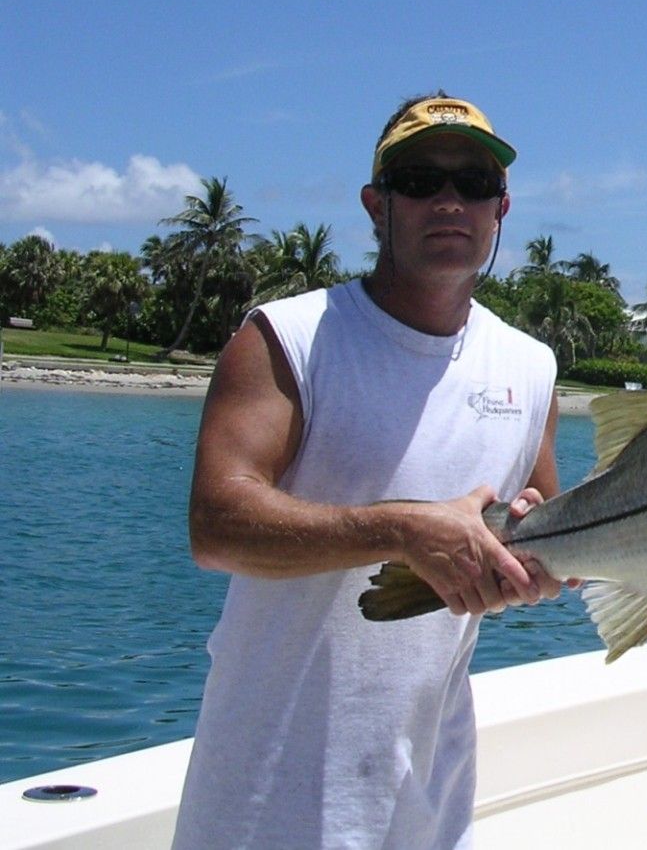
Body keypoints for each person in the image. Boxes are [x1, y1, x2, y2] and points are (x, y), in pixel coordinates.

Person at [172, 93, 565, 850]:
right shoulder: (286, 338)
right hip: (265, 802)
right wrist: (401, 529)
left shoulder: (531, 367)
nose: (449, 200)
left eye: (474, 183)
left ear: (502, 209)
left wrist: (536, 570)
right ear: (375, 204)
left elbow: (540, 522)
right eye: (420, 179)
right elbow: (215, 528)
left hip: (431, 800)